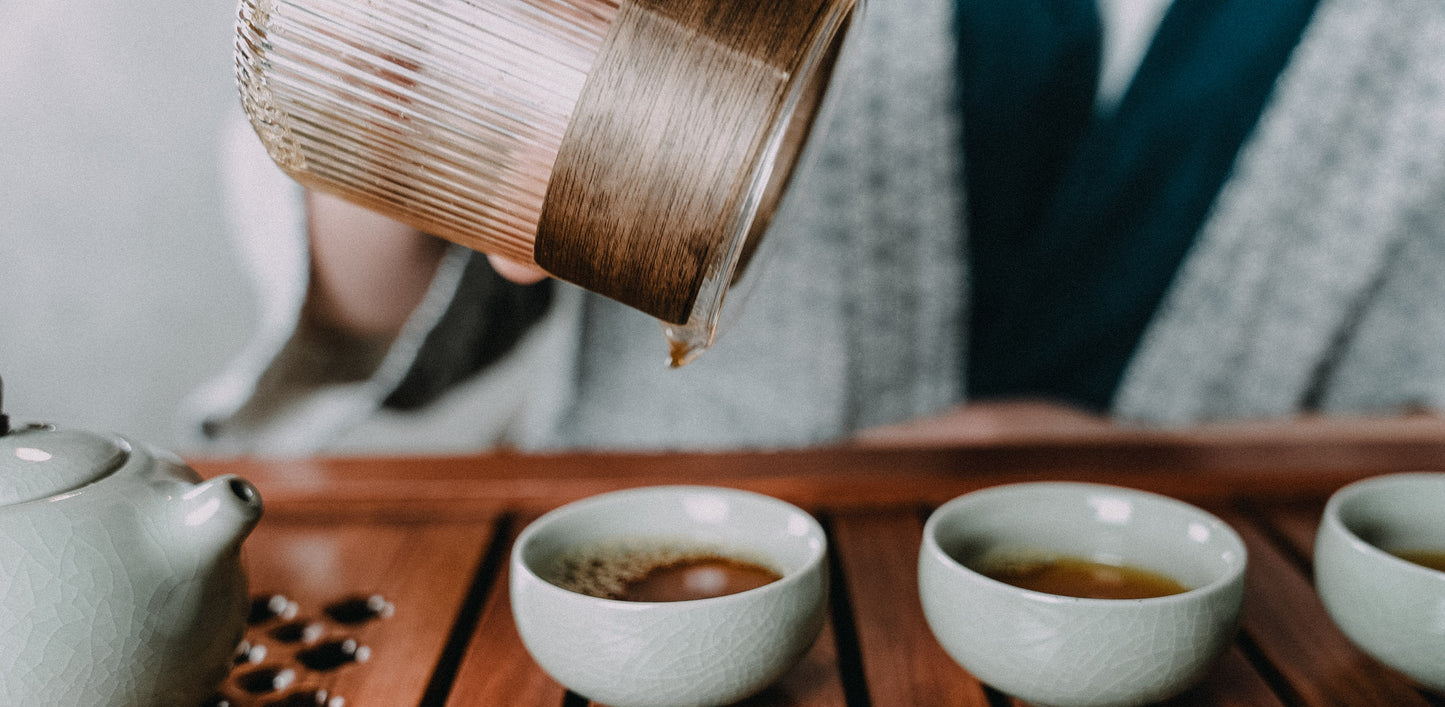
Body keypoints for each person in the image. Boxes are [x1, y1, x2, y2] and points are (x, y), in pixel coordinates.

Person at [181, 0, 1445, 454]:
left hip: (1241, 694)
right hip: (651, 607)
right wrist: (401, 92)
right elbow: (367, 317)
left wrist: (1122, 463)